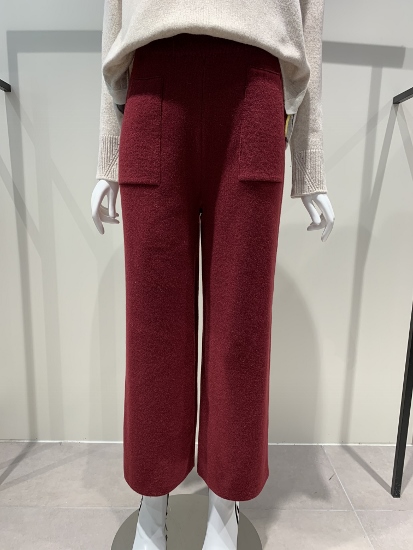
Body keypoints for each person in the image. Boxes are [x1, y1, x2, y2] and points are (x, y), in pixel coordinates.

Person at [91, 2, 335, 549]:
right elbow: (116, 18)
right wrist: (107, 151)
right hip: (152, 87)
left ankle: (225, 505)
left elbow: (309, 20)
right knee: (153, 330)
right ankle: (152, 500)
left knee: (239, 331)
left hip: (255, 93)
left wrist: (309, 157)